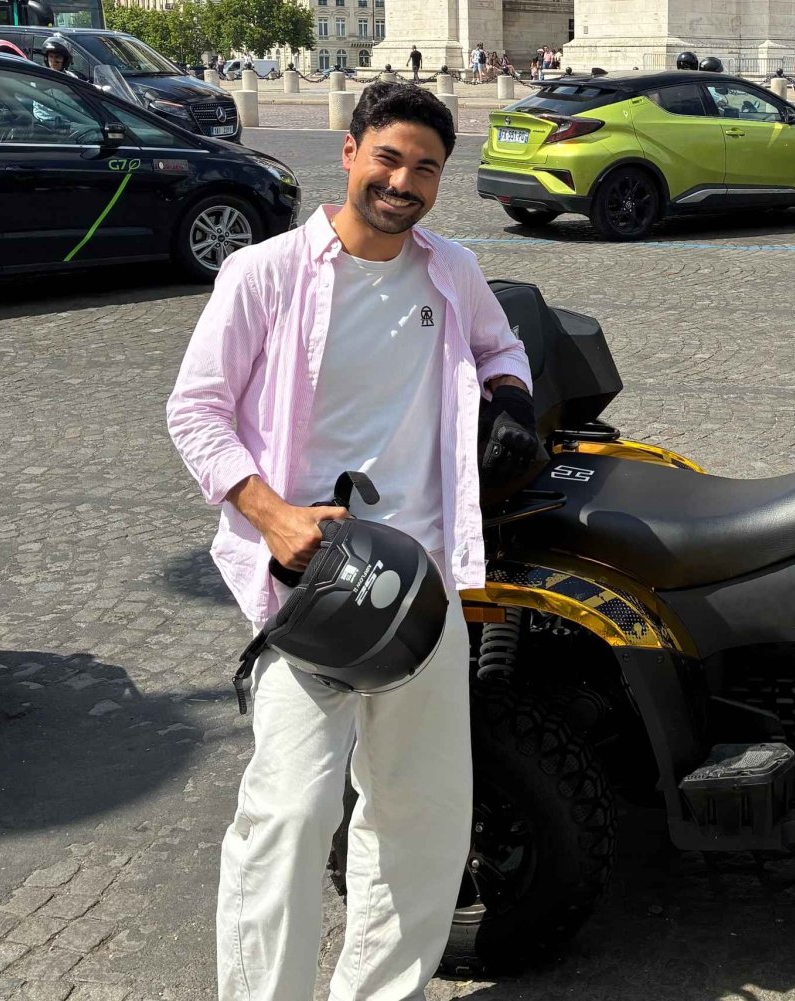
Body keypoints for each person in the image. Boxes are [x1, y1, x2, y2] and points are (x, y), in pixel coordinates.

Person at [166, 81, 538, 1001]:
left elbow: (501, 348)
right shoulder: (264, 274)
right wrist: (272, 514)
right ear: (349, 151)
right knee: (290, 814)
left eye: (426, 169)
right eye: (389, 158)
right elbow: (197, 411)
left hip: (422, 584)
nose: (403, 182)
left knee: (423, 817)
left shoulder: (452, 270)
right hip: (314, 584)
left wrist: (511, 401)